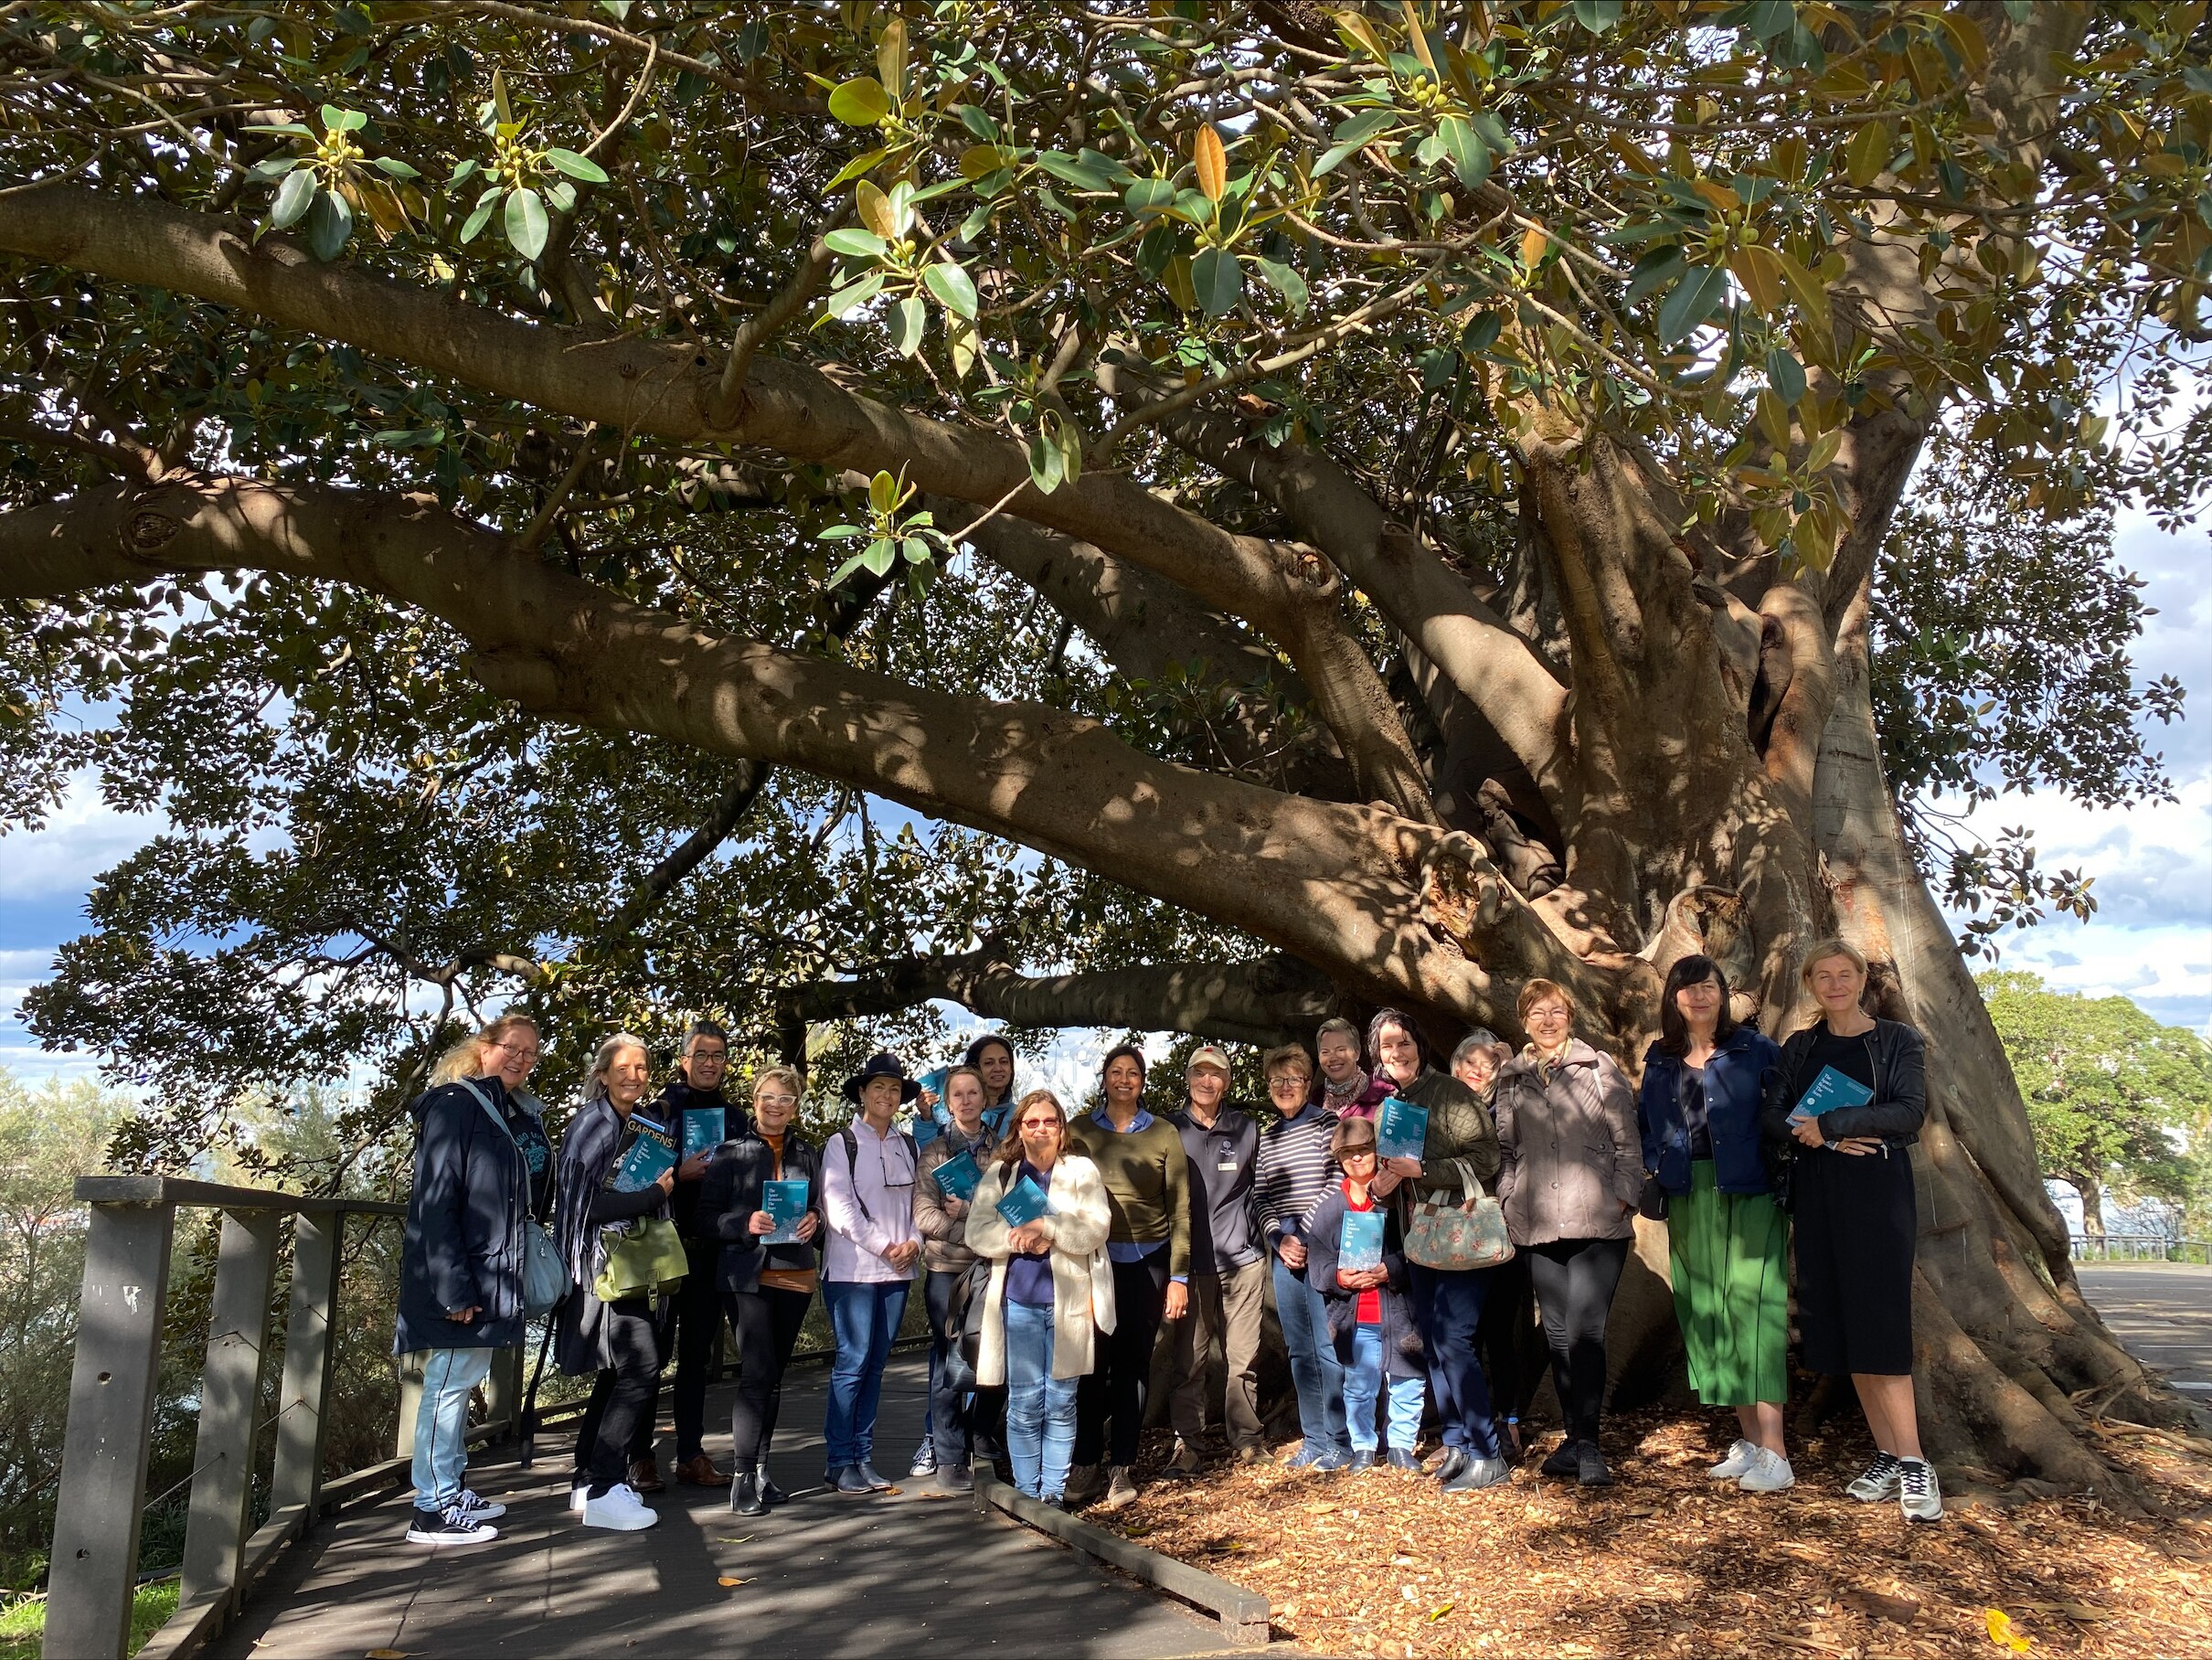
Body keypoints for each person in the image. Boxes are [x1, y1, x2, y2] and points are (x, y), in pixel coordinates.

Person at [1760, 938, 1938, 1522]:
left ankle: (1916, 1462)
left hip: (1876, 1193)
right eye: (1823, 976)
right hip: (1817, 1193)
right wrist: (1823, 1136)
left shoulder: (1897, 1041)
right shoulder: (1801, 1045)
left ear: (1861, 979)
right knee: (1841, 1320)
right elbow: (1773, 1116)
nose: (1835, 984)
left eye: (1845, 974)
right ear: (1810, 984)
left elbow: (1910, 1111)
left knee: (1880, 1320)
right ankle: (1886, 1453)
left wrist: (1833, 1120)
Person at [1638, 953, 1792, 1494]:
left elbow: (1786, 1113)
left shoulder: (1756, 1049)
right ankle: (1750, 1443)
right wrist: (1656, 1164)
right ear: (1673, 998)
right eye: (1687, 988)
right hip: (1689, 1194)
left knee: (1755, 1308)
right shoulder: (1660, 1058)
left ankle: (1777, 1452)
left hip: (1749, 1192)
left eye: (1708, 986)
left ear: (1723, 994)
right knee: (1709, 1310)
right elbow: (1647, 1121)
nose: (1698, 996)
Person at [392, 1014, 537, 1546]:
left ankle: (449, 1489)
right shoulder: (456, 1106)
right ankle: (429, 1510)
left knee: (461, 1377)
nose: (521, 1059)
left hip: (486, 1273)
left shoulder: (499, 1110)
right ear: (483, 1048)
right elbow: (437, 1201)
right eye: (512, 1048)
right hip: (462, 1279)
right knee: (448, 1386)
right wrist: (453, 1287)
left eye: (530, 1053)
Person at [1494, 980, 1642, 1487]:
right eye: (1538, 1012)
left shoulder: (1598, 1068)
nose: (1549, 1019)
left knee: (1586, 1330)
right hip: (1537, 1224)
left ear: (1570, 1017)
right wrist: (1508, 1200)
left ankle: (1591, 1444)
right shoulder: (1512, 1079)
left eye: (1557, 1011)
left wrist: (1623, 1196)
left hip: (1598, 1222)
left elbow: (1628, 1139)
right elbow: (1508, 1150)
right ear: (1524, 1021)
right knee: (1557, 1335)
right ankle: (1575, 1441)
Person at [1370, 1009, 1512, 1492]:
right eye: (1388, 1047)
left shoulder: (1452, 1094)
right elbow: (1398, 1173)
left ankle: (1488, 1453)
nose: (1397, 1053)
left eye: (1404, 1042)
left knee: (1456, 1339)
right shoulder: (1393, 1106)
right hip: (1420, 1237)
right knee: (1433, 1339)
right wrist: (1386, 1180)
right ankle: (1457, 1443)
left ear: (1420, 1044)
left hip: (1461, 1233)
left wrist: (1421, 1170)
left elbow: (1486, 1159)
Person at [552, 1032, 677, 1532]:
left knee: (619, 1372)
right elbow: (583, 1205)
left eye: (642, 1067)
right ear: (602, 1074)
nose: (634, 1075)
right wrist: (653, 1194)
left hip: (627, 1268)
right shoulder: (592, 1125)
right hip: (603, 1270)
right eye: (623, 1067)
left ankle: (587, 1479)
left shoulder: (636, 1125)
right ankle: (606, 1484)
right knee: (642, 1366)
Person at [966, 1090, 1115, 1508]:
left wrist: (1046, 1227)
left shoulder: (1081, 1171)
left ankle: (1052, 1492)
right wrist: (1016, 1238)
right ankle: (1027, 1491)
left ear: (1061, 1128)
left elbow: (1095, 1229)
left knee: (1063, 1401)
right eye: (1032, 1122)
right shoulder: (1001, 1174)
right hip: (1019, 1301)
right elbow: (977, 1232)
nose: (1041, 1129)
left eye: (1049, 1121)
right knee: (1025, 1400)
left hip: (1070, 1303)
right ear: (1019, 1128)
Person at [1064, 1045, 1191, 1510]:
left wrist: (1178, 1276)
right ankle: (1085, 1461)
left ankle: (1122, 1466)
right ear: (1104, 1078)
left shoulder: (1162, 1134)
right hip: (1091, 1262)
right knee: (1091, 1365)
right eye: (1115, 1072)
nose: (1124, 1079)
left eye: (1132, 1072)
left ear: (1142, 1080)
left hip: (1147, 1262)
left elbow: (1179, 1209)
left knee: (1133, 1365)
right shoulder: (1078, 1131)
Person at [698, 1065, 822, 1516]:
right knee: (756, 1373)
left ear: (795, 1107)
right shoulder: (729, 1153)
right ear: (754, 1100)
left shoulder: (808, 1153)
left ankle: (763, 1470)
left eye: (785, 1100)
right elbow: (704, 1219)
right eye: (768, 1097)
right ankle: (742, 1476)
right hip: (746, 1276)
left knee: (773, 1378)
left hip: (795, 1274)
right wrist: (743, 1224)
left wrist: (816, 1220)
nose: (775, 1106)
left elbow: (819, 1210)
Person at [820, 1050, 923, 1495]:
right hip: (851, 1271)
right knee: (852, 1363)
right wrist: (886, 1246)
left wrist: (915, 1242)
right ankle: (839, 1460)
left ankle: (863, 1456)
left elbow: (922, 1200)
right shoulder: (842, 1143)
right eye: (878, 1086)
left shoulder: (908, 1144)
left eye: (894, 1087)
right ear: (862, 1093)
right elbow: (838, 1208)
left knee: (876, 1365)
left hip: (897, 1274)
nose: (886, 1094)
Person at [1164, 1045, 1266, 1476]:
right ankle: (1187, 1444)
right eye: (1199, 1074)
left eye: (1216, 1075)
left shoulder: (1245, 1129)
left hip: (1242, 1262)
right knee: (1189, 1361)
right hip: (1188, 1267)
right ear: (1187, 1077)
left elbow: (1262, 1190)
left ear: (1227, 1081)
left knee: (1242, 1360)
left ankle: (1247, 1439)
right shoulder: (1167, 1129)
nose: (1207, 1082)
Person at [1304, 1116, 1425, 1472]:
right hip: (1354, 1317)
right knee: (1359, 1386)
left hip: (1401, 1312)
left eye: (1364, 1150)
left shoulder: (1399, 1203)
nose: (1357, 1159)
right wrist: (1340, 1277)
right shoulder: (1328, 1210)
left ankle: (1401, 1445)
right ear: (1339, 1159)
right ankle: (1363, 1447)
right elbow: (1318, 1267)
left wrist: (1394, 1268)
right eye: (1349, 1153)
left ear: (1377, 1153)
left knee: (1407, 1380)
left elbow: (1419, 1249)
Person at [654, 1019, 744, 1490]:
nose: (710, 1064)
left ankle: (689, 1453)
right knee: (649, 1356)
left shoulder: (735, 1117)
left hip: (711, 1252)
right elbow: (637, 1174)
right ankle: (638, 1456)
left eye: (718, 1056)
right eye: (701, 1055)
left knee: (694, 1357)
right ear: (684, 1061)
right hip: (663, 1249)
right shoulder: (664, 1108)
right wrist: (677, 1170)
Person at [1252, 1043, 1349, 1471]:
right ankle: (1313, 1440)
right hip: (1284, 1254)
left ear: (1307, 1084)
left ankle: (1341, 1441)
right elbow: (1259, 1196)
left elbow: (1337, 1182)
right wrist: (1279, 1239)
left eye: (1293, 1079)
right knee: (1298, 1350)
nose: (1286, 1087)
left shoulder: (1327, 1124)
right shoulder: (1267, 1137)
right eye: (1278, 1080)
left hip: (1323, 1249)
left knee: (1328, 1346)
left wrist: (1304, 1235)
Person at [912, 1064, 999, 1492]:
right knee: (951, 1360)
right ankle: (949, 1456)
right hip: (947, 1270)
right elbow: (924, 1214)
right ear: (948, 1103)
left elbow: (1015, 1209)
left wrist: (969, 1217)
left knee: (996, 1352)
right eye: (957, 1095)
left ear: (985, 1098)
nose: (966, 1100)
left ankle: (980, 1431)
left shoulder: (1004, 1151)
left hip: (995, 1267)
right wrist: (976, 1233)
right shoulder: (935, 1154)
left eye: (973, 1093)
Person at [1452, 1028, 1536, 1458]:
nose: (1478, 1071)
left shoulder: (1509, 1106)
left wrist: (1512, 1068)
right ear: (1456, 1068)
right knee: (1462, 1336)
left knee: (1502, 1334)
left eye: (1488, 1064)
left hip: (1504, 1235)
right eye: (1470, 1063)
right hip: (1454, 1238)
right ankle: (1465, 1430)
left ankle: (1511, 1424)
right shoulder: (1444, 1111)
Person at [1312, 1016, 1391, 1118]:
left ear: (1357, 1053)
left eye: (1340, 1050)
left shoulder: (1382, 1094)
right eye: (1325, 1052)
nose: (1333, 1058)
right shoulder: (1317, 1097)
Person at [965, 1032, 1020, 1137]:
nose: (998, 1068)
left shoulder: (1020, 1116)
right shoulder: (960, 1111)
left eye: (1004, 1062)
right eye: (989, 1063)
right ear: (975, 1068)